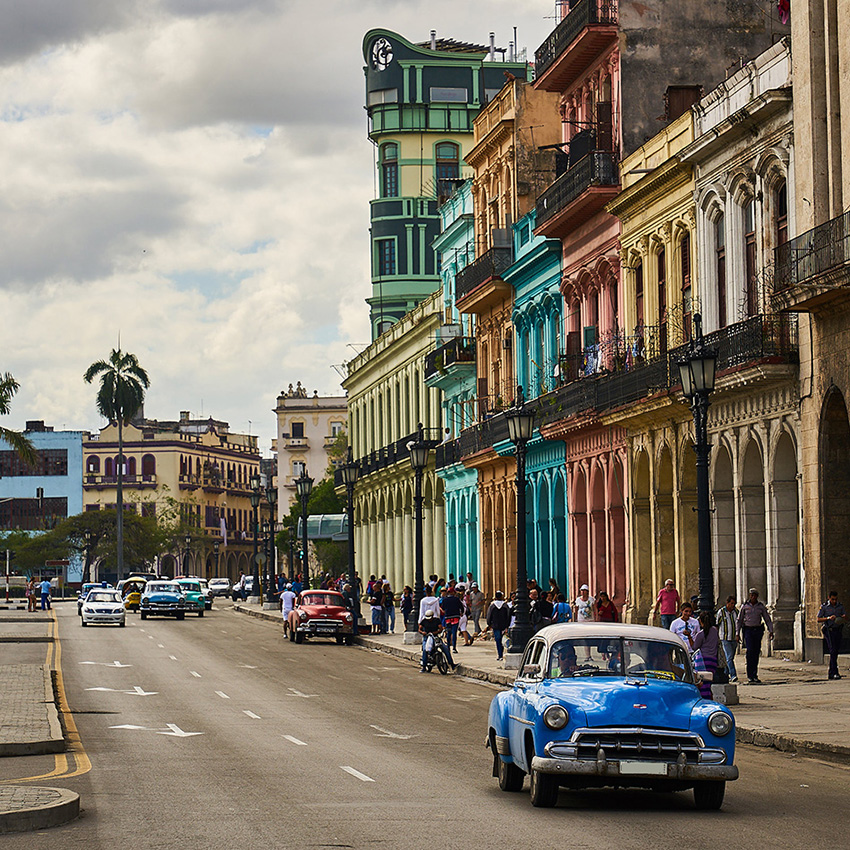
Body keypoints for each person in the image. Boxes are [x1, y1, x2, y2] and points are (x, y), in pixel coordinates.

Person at [736, 588, 774, 684]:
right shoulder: (745, 606)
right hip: (748, 630)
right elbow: (739, 620)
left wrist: (771, 630)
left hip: (757, 630)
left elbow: (767, 619)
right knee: (750, 651)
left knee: (756, 652)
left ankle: (754, 674)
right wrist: (737, 633)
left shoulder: (760, 607)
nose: (753, 597)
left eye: (754, 595)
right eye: (751, 595)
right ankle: (750, 675)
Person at [688, 610, 720, 698]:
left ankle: (705, 698)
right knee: (708, 683)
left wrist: (689, 637)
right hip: (712, 660)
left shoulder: (701, 634)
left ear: (701, 621)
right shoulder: (715, 631)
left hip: (703, 660)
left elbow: (694, 647)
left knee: (702, 684)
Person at [817, 590, 846, 680]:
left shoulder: (840, 606)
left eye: (835, 599)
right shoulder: (825, 607)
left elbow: (845, 617)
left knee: (835, 651)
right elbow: (818, 619)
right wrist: (828, 618)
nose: (834, 601)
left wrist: (843, 617)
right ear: (829, 598)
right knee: (832, 650)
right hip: (828, 630)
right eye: (833, 599)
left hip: (837, 629)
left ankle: (831, 672)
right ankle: (835, 672)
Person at [715, 596, 739, 682]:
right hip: (725, 638)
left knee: (731, 657)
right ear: (727, 603)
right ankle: (733, 674)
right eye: (731, 603)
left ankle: (726, 672)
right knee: (729, 657)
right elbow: (717, 624)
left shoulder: (736, 612)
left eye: (734, 603)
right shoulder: (721, 612)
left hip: (734, 637)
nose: (733, 605)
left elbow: (738, 624)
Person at [486, 591, 511, 661]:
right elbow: (508, 615)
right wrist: (507, 625)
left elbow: (489, 615)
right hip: (503, 625)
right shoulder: (505, 605)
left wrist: (489, 624)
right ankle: (502, 653)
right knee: (504, 640)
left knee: (498, 640)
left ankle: (500, 655)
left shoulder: (492, 606)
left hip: (495, 625)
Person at [440, 585, 464, 652]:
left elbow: (443, 608)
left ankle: (448, 647)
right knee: (454, 632)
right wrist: (461, 613)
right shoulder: (456, 599)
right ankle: (454, 647)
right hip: (456, 617)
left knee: (449, 632)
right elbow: (461, 607)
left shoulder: (445, 600)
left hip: (448, 617)